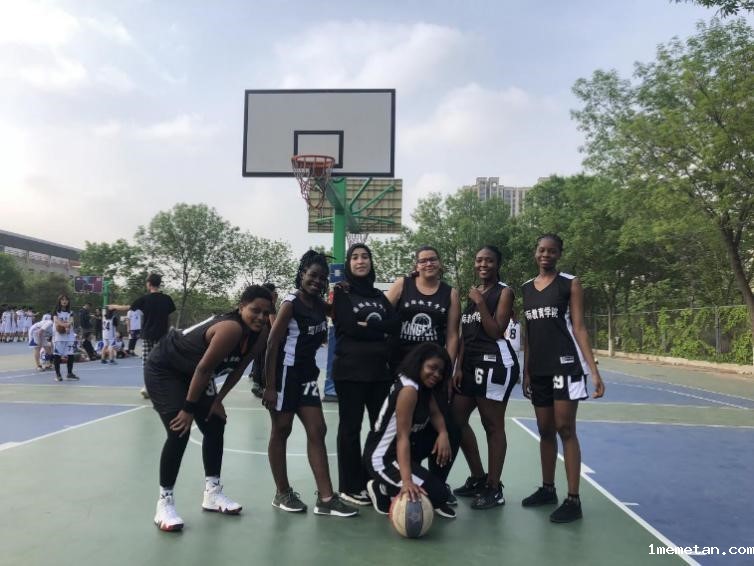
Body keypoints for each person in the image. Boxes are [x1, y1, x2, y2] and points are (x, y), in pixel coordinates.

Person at [147, 285, 274, 532]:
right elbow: (204, 369)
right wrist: (187, 409)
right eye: (255, 310)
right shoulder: (230, 329)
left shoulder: (260, 334)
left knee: (215, 423)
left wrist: (218, 400)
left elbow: (239, 369)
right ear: (241, 307)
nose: (260, 317)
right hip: (166, 369)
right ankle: (164, 503)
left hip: (195, 373)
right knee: (179, 430)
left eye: (266, 312)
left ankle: (212, 493)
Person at [262, 250, 357, 517]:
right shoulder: (290, 303)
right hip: (285, 373)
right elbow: (272, 344)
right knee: (282, 429)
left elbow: (336, 313)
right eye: (313, 275)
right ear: (302, 274)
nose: (317, 281)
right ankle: (282, 492)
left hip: (306, 375)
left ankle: (326, 499)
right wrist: (270, 386)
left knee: (318, 429)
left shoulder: (317, 304)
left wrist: (341, 291)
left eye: (322, 277)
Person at [521, 233, 605, 523]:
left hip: (565, 366)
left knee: (565, 429)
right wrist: (526, 370)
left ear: (559, 254)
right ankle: (548, 489)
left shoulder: (570, 283)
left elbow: (579, 327)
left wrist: (593, 371)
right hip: (539, 369)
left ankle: (573, 499)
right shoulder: (527, 288)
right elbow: (529, 333)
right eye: (541, 250)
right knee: (544, 429)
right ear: (536, 252)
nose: (546, 254)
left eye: (552, 251)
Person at [385, 245, 461, 505]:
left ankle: (436, 482)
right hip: (402, 369)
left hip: (433, 373)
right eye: (423, 260)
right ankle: (396, 475)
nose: (428, 264)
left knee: (448, 428)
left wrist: (447, 372)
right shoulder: (403, 285)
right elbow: (382, 314)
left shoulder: (450, 293)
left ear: (439, 263)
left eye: (433, 260)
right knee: (402, 427)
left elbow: (452, 335)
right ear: (416, 265)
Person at [331, 243, 399, 506]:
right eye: (355, 257)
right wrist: (380, 330)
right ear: (349, 263)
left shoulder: (379, 296)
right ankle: (349, 486)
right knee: (350, 429)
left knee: (380, 429)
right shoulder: (342, 293)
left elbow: (395, 325)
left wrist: (369, 326)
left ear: (371, 262)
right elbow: (349, 327)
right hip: (350, 372)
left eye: (365, 257)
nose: (361, 261)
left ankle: (374, 480)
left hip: (379, 373)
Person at [451, 245, 519, 509]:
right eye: (479, 260)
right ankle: (479, 477)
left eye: (488, 260)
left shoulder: (504, 292)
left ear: (497, 264)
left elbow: (496, 331)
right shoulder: (474, 293)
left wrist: (480, 303)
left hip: (494, 364)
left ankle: (494, 487)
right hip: (470, 365)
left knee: (492, 425)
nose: (483, 264)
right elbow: (466, 334)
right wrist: (458, 366)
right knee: (455, 420)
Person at [363, 342, 454, 518]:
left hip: (396, 455)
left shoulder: (423, 386)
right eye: (432, 367)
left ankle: (391, 485)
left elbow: (435, 413)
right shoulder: (409, 390)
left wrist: (443, 433)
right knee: (439, 495)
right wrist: (407, 481)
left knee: (452, 430)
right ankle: (381, 487)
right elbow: (402, 437)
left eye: (441, 372)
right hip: (382, 458)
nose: (436, 375)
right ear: (419, 363)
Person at [110, 273, 176, 399]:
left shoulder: (145, 299)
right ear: (159, 284)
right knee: (161, 362)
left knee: (147, 362)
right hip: (162, 335)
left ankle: (148, 387)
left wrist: (114, 306)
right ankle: (162, 387)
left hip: (148, 335)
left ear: (149, 284)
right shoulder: (167, 299)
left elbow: (128, 307)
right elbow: (169, 317)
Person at [249, 282, 277, 398]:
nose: (276, 294)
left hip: (256, 335)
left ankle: (257, 384)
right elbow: (274, 324)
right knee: (265, 361)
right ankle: (263, 385)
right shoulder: (270, 305)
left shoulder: (258, 303)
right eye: (274, 292)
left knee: (257, 360)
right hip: (266, 337)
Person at [52, 294, 78, 381]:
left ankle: (69, 373)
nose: (64, 301)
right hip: (59, 337)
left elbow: (71, 321)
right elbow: (56, 321)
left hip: (69, 336)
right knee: (57, 356)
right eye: (62, 299)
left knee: (70, 355)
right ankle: (58, 375)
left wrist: (68, 325)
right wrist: (64, 325)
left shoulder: (71, 312)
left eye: (66, 299)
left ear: (68, 301)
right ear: (59, 301)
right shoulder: (56, 311)